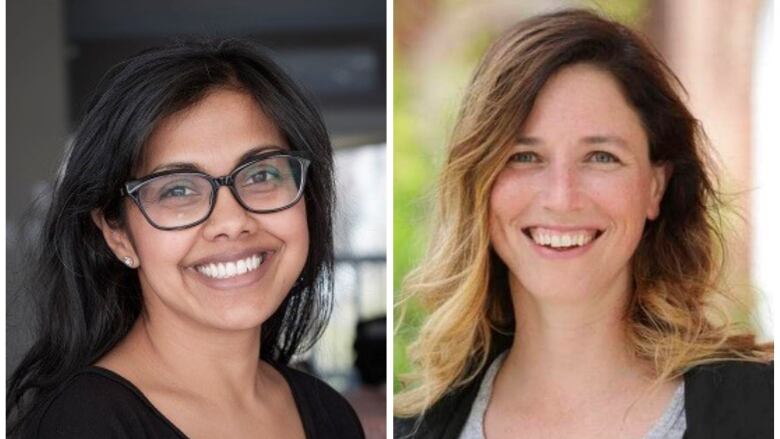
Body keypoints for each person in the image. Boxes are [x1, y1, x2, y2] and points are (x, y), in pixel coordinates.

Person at [394, 9, 772, 439]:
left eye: (601, 157)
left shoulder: (764, 408)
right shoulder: (410, 429)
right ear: (479, 182)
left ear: (655, 186)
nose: (561, 197)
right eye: (524, 156)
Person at [7, 39, 365, 438]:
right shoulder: (83, 425)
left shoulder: (331, 415)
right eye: (177, 190)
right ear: (118, 234)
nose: (231, 221)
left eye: (262, 174)